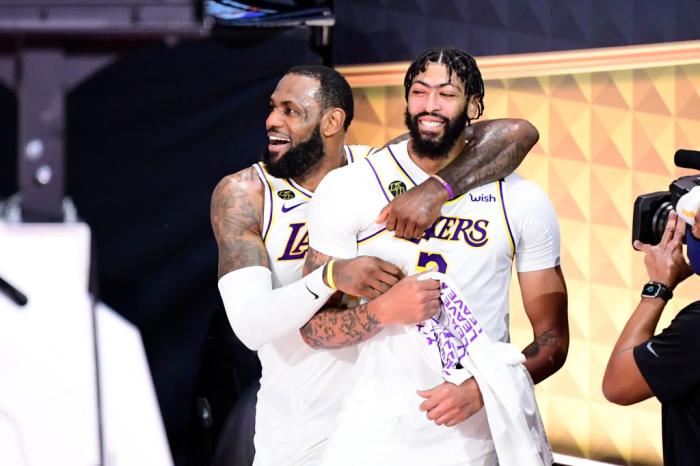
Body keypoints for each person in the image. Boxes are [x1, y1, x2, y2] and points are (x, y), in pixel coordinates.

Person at [211, 64, 538, 466]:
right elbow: (249, 327)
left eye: (290, 110)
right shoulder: (246, 193)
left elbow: (516, 132)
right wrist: (331, 276)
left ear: (332, 122)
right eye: (273, 108)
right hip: (300, 421)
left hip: (386, 420)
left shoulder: (376, 169)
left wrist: (437, 189)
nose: (272, 121)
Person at [302, 48, 569, 465]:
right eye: (419, 92)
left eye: (446, 94)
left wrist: (482, 388)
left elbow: (553, 341)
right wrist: (383, 310)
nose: (430, 105)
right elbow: (312, 328)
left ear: (474, 106)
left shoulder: (522, 200)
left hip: (473, 442)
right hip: (369, 434)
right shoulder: (350, 187)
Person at [603, 204, 700, 465]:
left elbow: (617, 385)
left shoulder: (695, 328)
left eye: (695, 224)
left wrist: (658, 287)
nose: (689, 232)